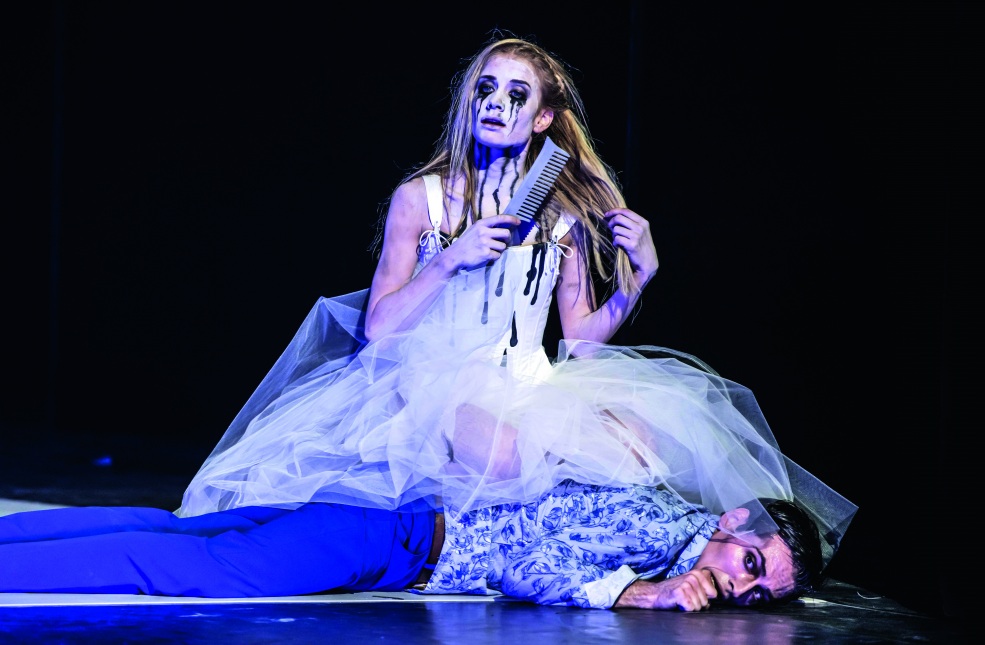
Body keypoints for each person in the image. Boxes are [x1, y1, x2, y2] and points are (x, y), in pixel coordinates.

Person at [0, 34, 856, 611]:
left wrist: (636, 284)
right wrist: (452, 260)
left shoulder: (559, 217)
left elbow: (578, 344)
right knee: (212, 547)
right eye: (486, 87)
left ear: (545, 117)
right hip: (420, 400)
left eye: (516, 94)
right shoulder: (426, 199)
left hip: (517, 406)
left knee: (213, 543)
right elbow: (379, 328)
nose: (496, 103)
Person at [0, 480, 821, 611]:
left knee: (177, 532)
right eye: (750, 563)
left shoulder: (673, 531)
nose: (740, 588)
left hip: (389, 509)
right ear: (732, 520)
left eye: (760, 593)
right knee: (183, 568)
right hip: (391, 535)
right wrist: (632, 591)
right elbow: (516, 561)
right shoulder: (655, 528)